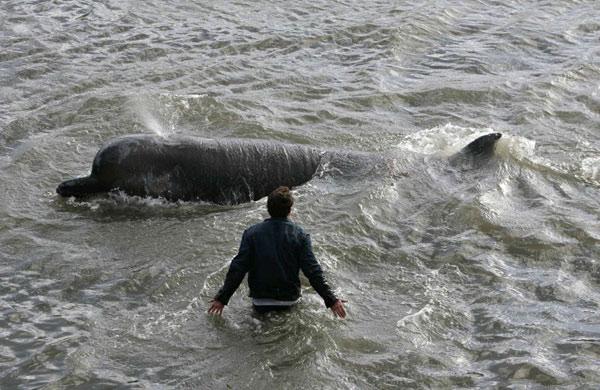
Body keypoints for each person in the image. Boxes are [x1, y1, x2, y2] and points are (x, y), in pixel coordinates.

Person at [208, 186, 346, 318]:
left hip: (260, 302)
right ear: (290, 210)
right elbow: (313, 271)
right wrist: (332, 300)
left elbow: (238, 269)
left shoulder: (251, 234)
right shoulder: (301, 236)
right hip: (289, 301)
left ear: (268, 208)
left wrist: (222, 298)